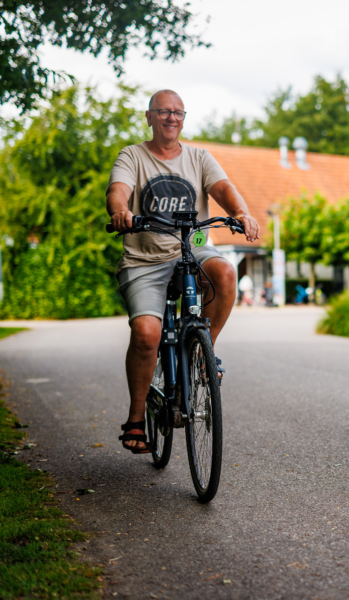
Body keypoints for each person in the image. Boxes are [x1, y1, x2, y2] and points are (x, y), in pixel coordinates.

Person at [107, 89, 260, 453]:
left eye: (177, 112)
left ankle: (202, 355)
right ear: (149, 117)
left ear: (184, 118)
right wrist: (120, 211)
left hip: (192, 250)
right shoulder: (133, 155)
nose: (171, 118)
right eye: (163, 112)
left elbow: (223, 187)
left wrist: (242, 212)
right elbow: (118, 189)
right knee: (146, 334)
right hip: (145, 259)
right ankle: (136, 418)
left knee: (224, 272)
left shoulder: (199, 157)